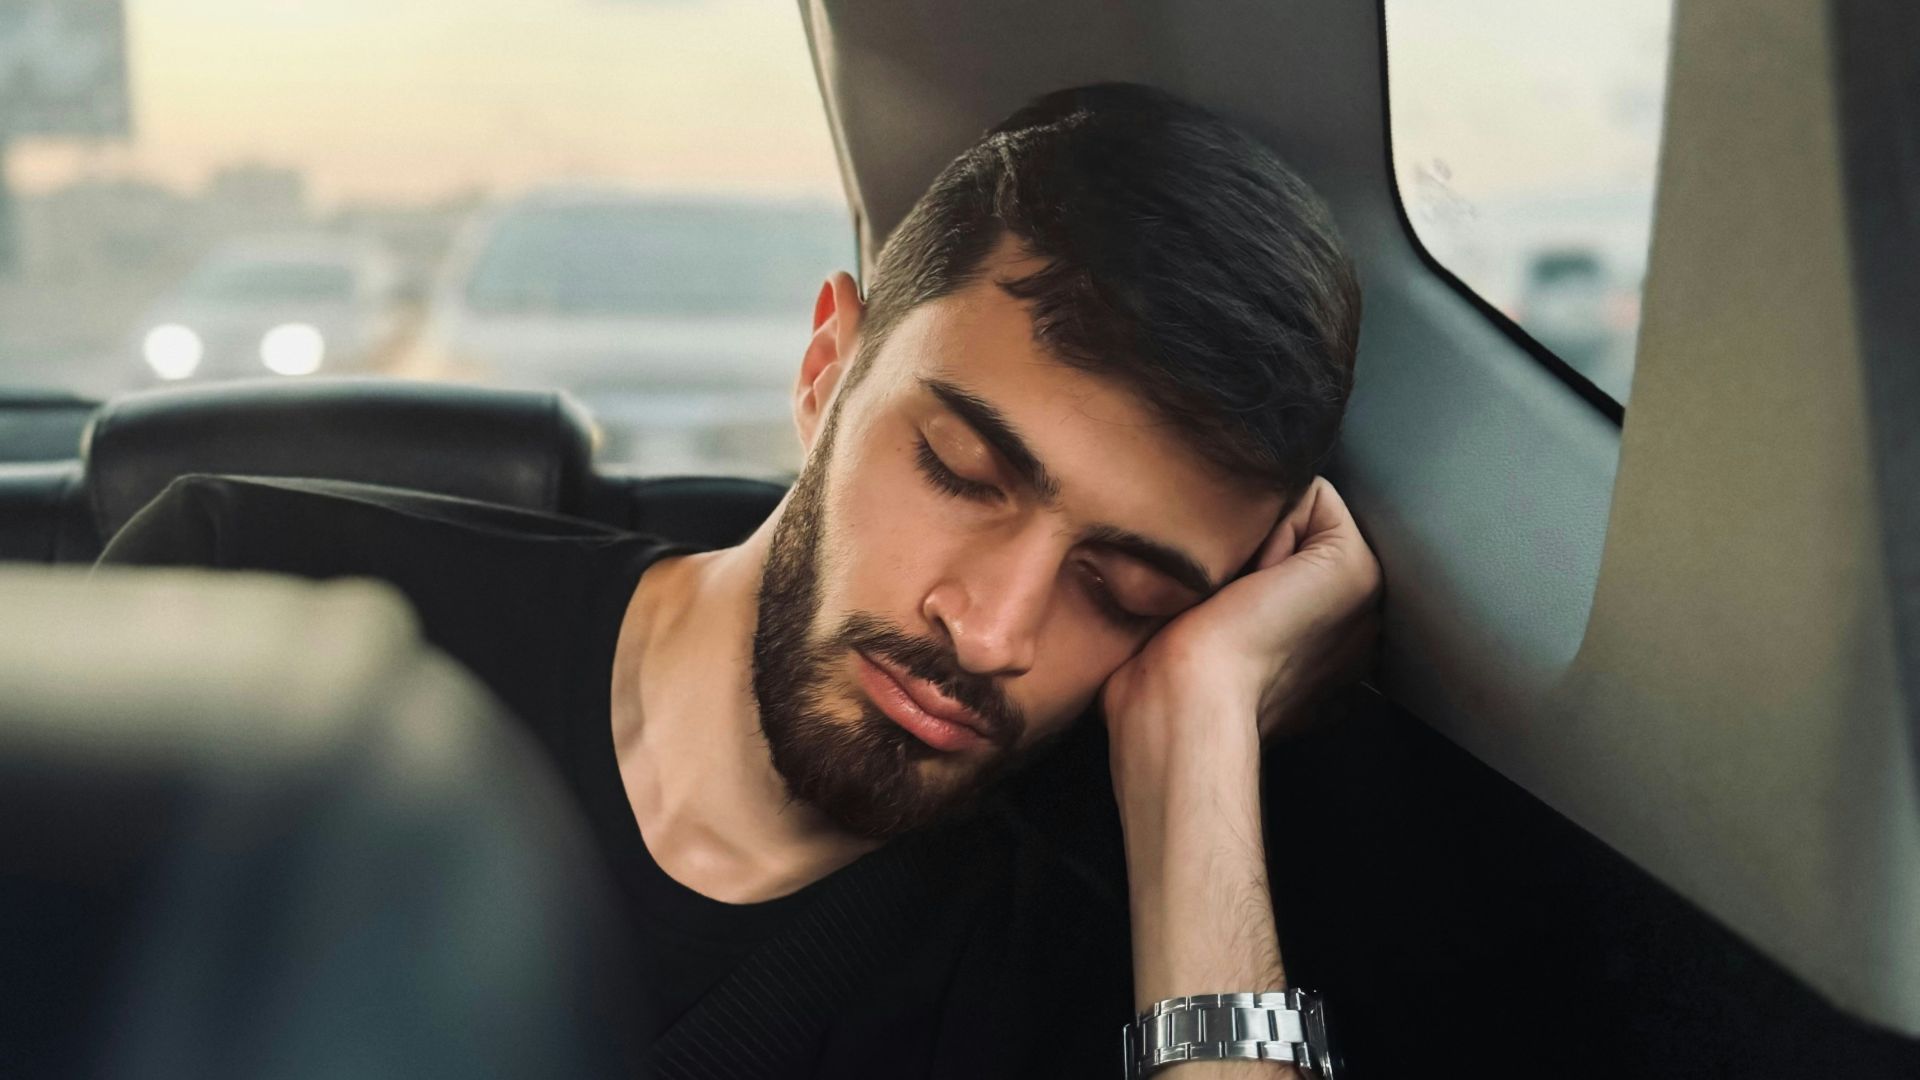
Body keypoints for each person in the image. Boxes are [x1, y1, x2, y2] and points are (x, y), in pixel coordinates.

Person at [100, 83, 1381, 1078]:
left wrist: (1200, 730)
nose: (992, 630)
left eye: (1126, 593)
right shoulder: (251, 609)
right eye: (958, 469)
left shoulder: (1084, 953)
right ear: (828, 367)